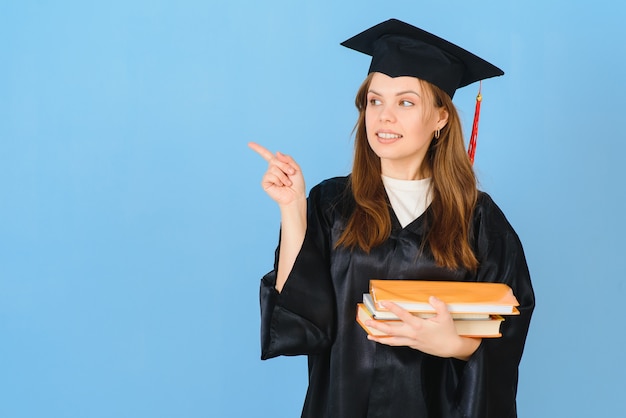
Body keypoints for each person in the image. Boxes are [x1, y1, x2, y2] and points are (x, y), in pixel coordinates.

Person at [249, 19, 534, 418]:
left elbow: (509, 327)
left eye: (405, 102)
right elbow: (302, 323)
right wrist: (293, 208)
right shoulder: (330, 203)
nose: (384, 116)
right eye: (375, 100)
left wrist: (454, 344)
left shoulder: (479, 220)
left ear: (440, 118)